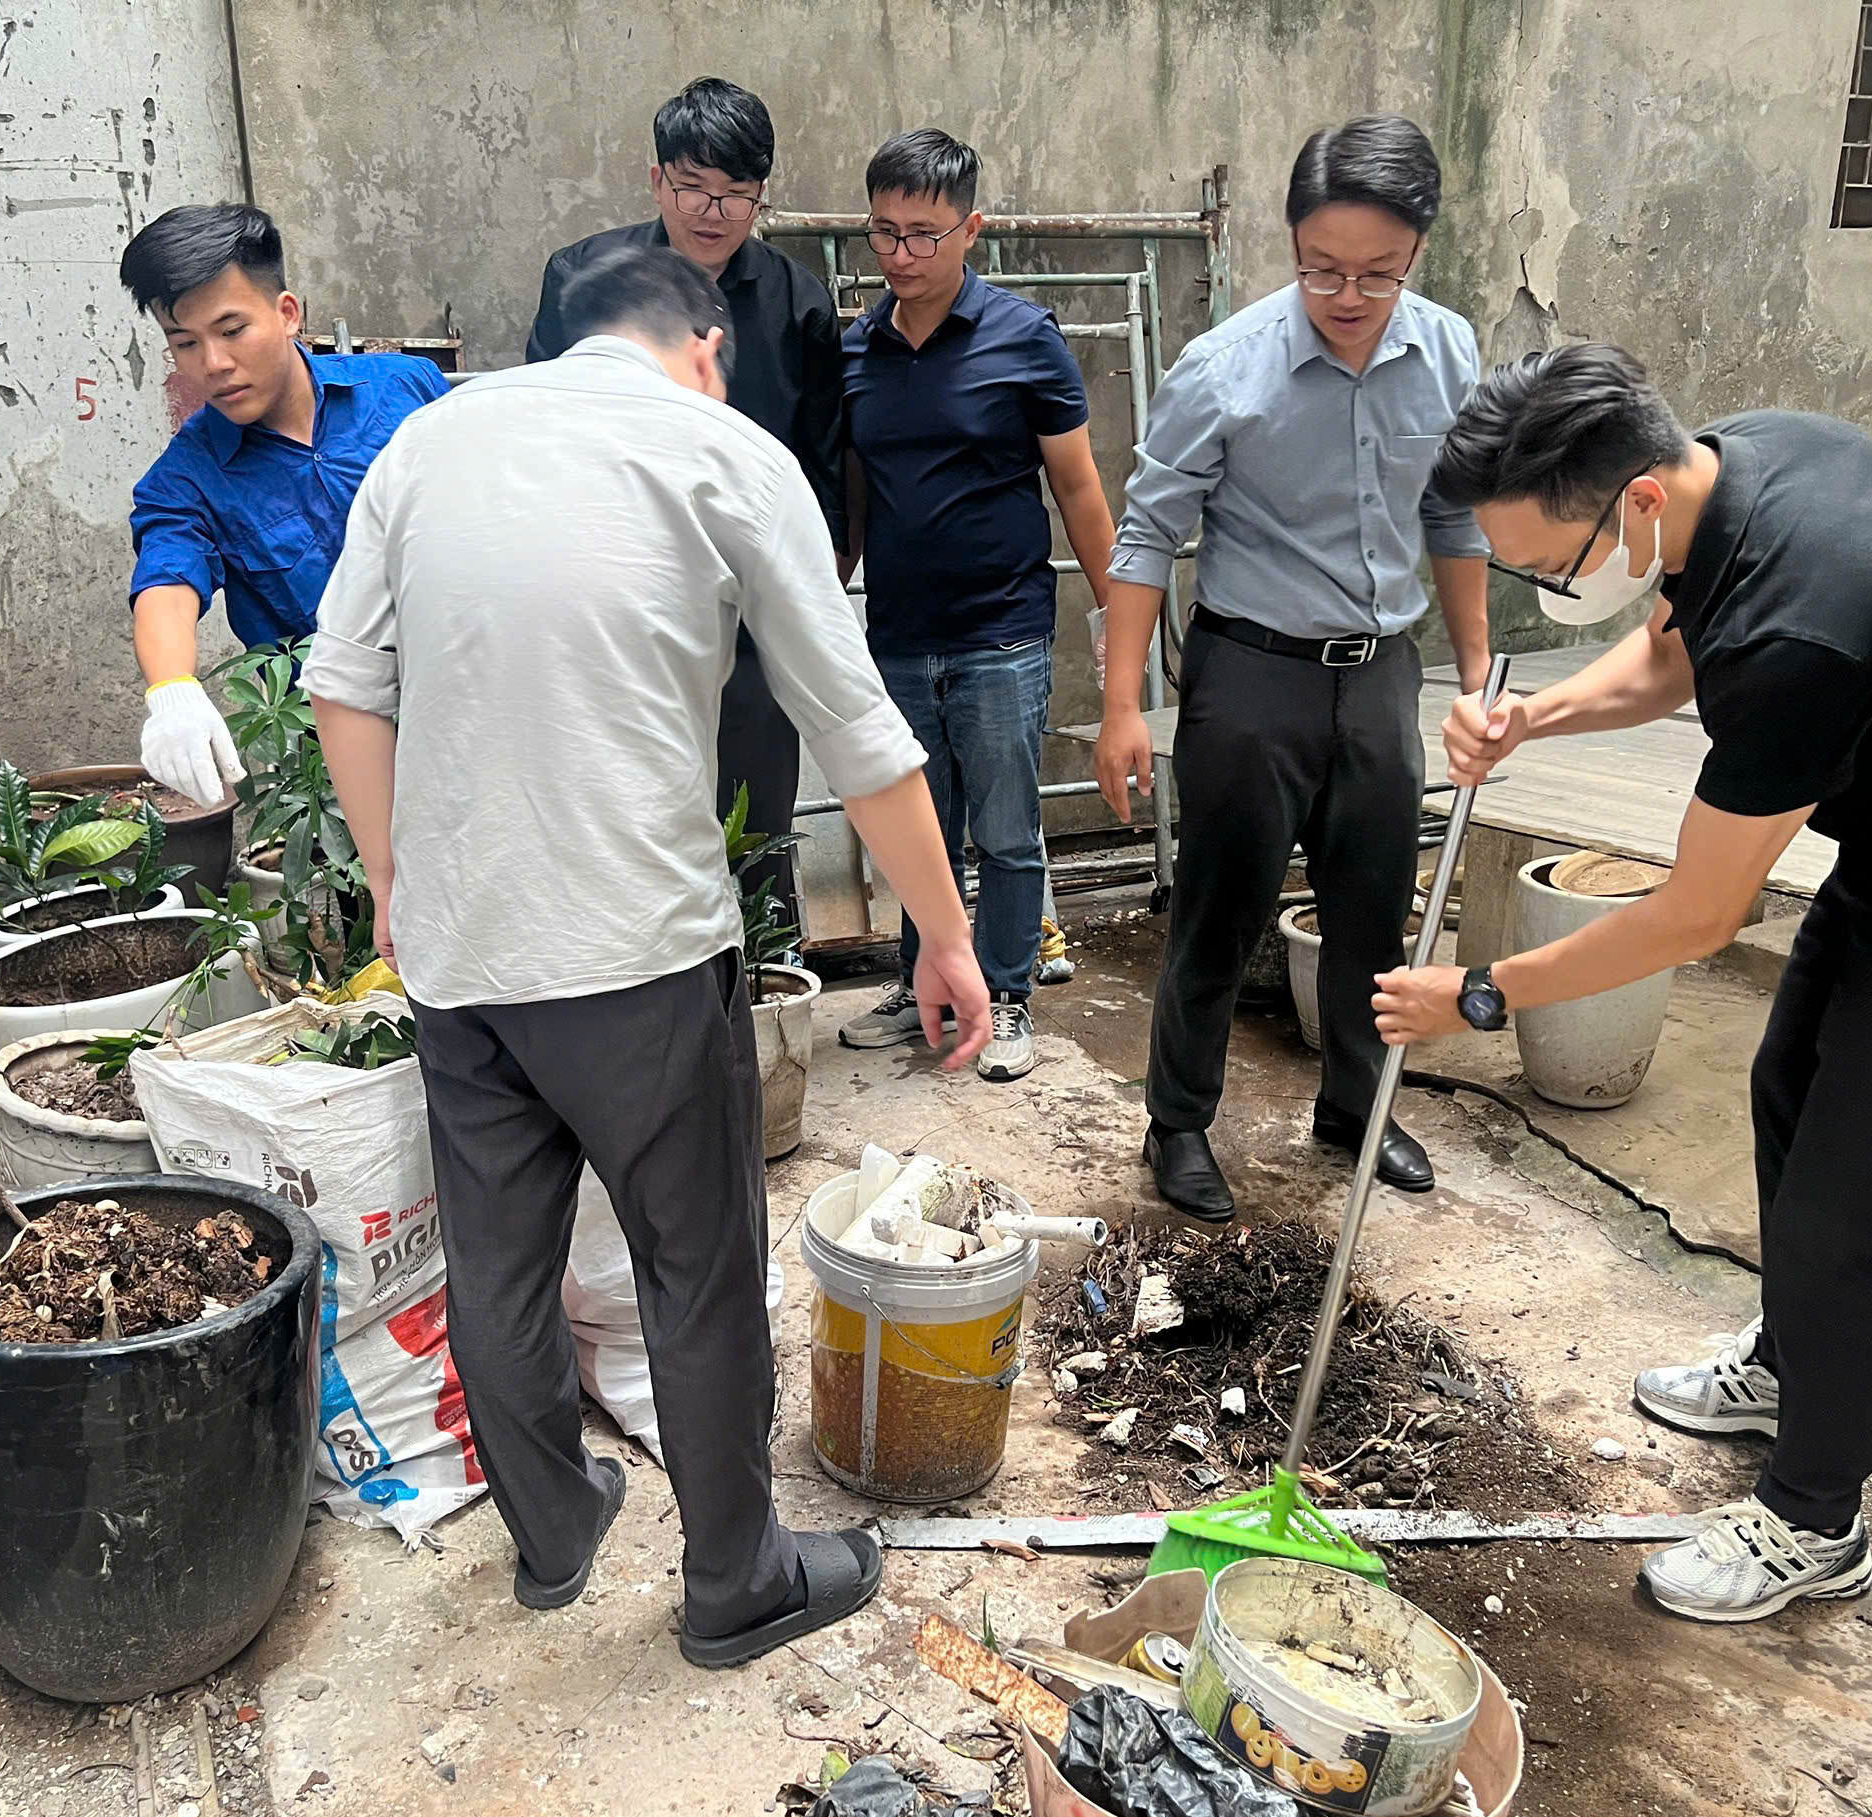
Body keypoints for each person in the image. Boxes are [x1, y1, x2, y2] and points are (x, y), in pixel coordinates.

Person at [1372, 344, 1872, 1623]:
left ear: (1636, 501)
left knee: (1846, 1200)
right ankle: (1794, 1361)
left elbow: (1697, 913)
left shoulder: (1804, 633)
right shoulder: (1738, 460)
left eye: (1548, 569)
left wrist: (1484, 992)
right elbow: (1671, 658)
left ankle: (1815, 1519)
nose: (1544, 592)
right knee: (1788, 1086)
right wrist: (1532, 718)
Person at [300, 247, 991, 1668]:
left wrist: (392, 880)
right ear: (704, 345)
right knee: (698, 1270)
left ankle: (554, 1532)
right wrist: (945, 932)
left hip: (463, 956)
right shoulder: (720, 448)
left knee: (499, 1262)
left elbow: (345, 684)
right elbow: (856, 729)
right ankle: (738, 1580)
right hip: (638, 958)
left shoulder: (426, 446)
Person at [1094, 117, 1490, 1221]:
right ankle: (1179, 1122)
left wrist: (1476, 673)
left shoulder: (1449, 353)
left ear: (1418, 251)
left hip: (1382, 674)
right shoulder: (1224, 369)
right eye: (1322, 268)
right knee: (1220, 910)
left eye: (1378, 272)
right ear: (1293, 244)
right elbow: (1145, 539)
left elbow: (1455, 515)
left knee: (1373, 911)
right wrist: (1123, 705)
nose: (1347, 295)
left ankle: (1358, 1107)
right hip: (1252, 677)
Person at [526, 77, 844, 928]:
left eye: (736, 193)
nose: (712, 211)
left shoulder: (799, 303)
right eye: (692, 186)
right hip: (614, 596)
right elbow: (543, 431)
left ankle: (764, 974)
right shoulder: (581, 280)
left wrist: (807, 595)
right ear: (656, 179)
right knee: (622, 808)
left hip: (750, 602)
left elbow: (824, 463)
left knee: (756, 814)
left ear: (761, 194)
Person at [834, 128, 1117, 1083]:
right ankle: (922, 985)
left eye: (923, 234)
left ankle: (1006, 993)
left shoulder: (1024, 338)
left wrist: (1118, 620)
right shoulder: (857, 351)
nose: (900, 254)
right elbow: (856, 500)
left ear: (971, 230)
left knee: (1004, 831)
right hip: (899, 635)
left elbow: (1078, 488)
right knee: (919, 828)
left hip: (1002, 635)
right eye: (883, 232)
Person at [120, 203, 450, 806]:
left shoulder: (406, 388)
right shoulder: (186, 480)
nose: (214, 364)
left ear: (287, 313)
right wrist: (171, 690)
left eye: (232, 330)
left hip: (480, 698)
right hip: (350, 765)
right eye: (185, 343)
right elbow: (166, 581)